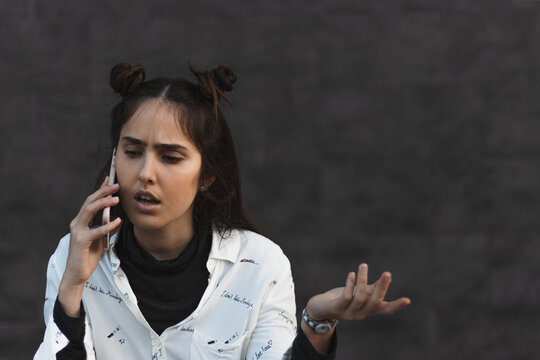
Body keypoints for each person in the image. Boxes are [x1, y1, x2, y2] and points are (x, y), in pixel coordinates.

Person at [34, 63, 410, 359]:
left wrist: (317, 321)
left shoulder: (259, 265)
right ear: (115, 159)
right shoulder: (73, 257)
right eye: (132, 153)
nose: (146, 174)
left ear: (208, 174)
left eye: (170, 157)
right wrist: (73, 287)